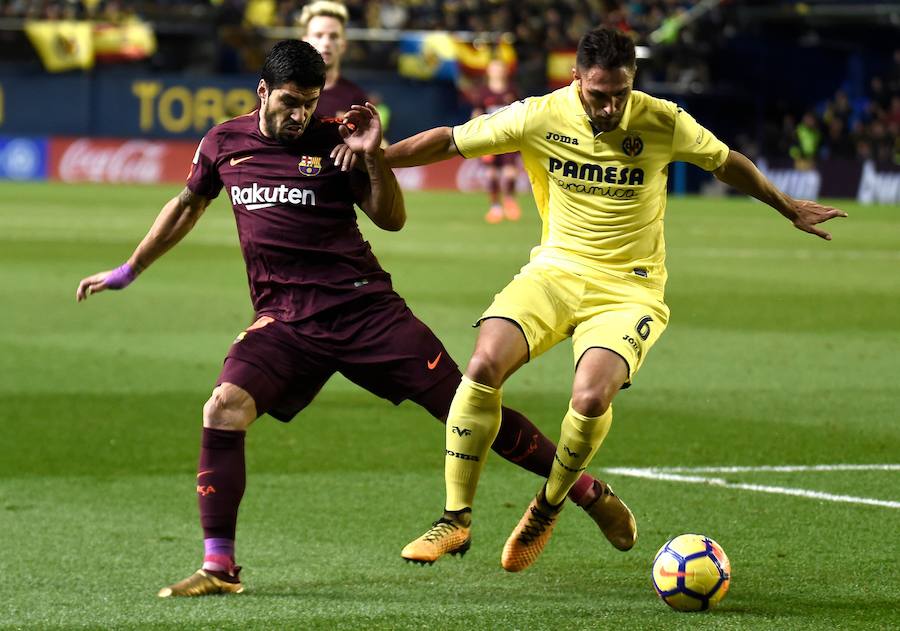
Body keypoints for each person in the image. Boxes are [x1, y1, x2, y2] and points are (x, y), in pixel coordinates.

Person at [75, 40, 635, 597]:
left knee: (466, 405)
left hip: (367, 311)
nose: (300, 116)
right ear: (263, 92)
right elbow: (186, 206)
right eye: (290, 102)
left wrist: (370, 154)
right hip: (286, 320)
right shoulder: (224, 142)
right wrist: (129, 269)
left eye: (310, 102)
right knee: (223, 408)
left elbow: (391, 219)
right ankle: (220, 567)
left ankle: (585, 492)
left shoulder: (334, 138)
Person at [383, 26, 847, 572]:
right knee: (483, 365)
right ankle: (455, 519)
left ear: (632, 83)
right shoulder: (540, 114)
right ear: (576, 79)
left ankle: (549, 504)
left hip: (630, 288)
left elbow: (725, 161)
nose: (608, 106)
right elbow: (448, 140)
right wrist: (374, 163)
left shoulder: (662, 120)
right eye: (597, 93)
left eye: (619, 94)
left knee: (589, 399)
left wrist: (786, 204)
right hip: (555, 271)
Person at [469, 59, 522, 224]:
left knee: (510, 173)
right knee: (491, 174)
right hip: (490, 140)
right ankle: (495, 208)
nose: (497, 72)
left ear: (505, 71)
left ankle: (509, 200)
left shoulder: (512, 91)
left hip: (509, 139)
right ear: (489, 72)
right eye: (494, 69)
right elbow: (477, 113)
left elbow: (521, 112)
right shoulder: (483, 92)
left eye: (500, 68)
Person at [298, 0, 367, 118]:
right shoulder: (285, 90)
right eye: (318, 35)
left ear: (343, 44)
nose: (326, 43)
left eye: (334, 36)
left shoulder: (355, 98)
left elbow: (373, 135)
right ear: (304, 42)